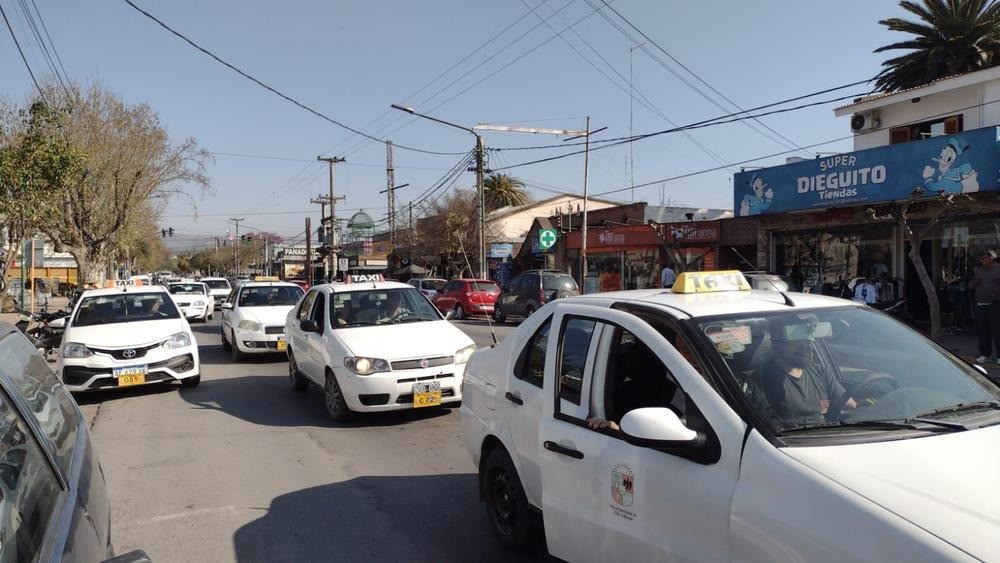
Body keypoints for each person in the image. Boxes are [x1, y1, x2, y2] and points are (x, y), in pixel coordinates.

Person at [761, 336, 855, 428]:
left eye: (808, 339)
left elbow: (847, 403)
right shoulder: (764, 380)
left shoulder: (821, 372)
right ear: (777, 343)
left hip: (828, 431)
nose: (806, 345)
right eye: (797, 339)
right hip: (797, 438)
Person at [969, 250, 1000, 364]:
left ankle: (999, 356)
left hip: (995, 304)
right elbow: (971, 285)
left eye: (983, 259)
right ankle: (985, 354)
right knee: (982, 331)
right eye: (981, 259)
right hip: (980, 304)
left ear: (991, 259)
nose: (981, 261)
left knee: (997, 331)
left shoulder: (998, 269)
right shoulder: (979, 271)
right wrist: (974, 283)